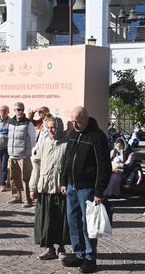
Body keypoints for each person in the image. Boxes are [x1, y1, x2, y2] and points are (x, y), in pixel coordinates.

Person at [60, 106, 111, 273]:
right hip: (71, 187)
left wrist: (99, 191)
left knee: (88, 224)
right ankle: (78, 253)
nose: (74, 124)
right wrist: (63, 181)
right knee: (73, 221)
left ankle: (90, 257)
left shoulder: (98, 137)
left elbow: (104, 166)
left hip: (88, 189)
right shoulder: (73, 134)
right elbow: (66, 160)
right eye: (72, 121)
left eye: (77, 121)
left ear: (86, 118)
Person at [29, 117, 69, 261]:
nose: (51, 131)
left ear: (60, 127)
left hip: (60, 189)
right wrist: (33, 186)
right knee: (46, 221)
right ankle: (49, 248)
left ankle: (62, 248)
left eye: (54, 128)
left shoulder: (67, 144)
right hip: (45, 187)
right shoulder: (45, 143)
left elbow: (69, 167)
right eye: (49, 128)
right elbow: (37, 165)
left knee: (61, 221)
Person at [8, 102, 36, 207]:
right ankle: (16, 197)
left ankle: (28, 200)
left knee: (26, 178)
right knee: (13, 177)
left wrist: (27, 151)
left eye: (20, 109)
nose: (18, 111)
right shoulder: (10, 122)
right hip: (12, 155)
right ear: (14, 111)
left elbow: (32, 139)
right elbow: (9, 137)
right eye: (16, 109)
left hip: (24, 156)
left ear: (23, 110)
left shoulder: (29, 123)